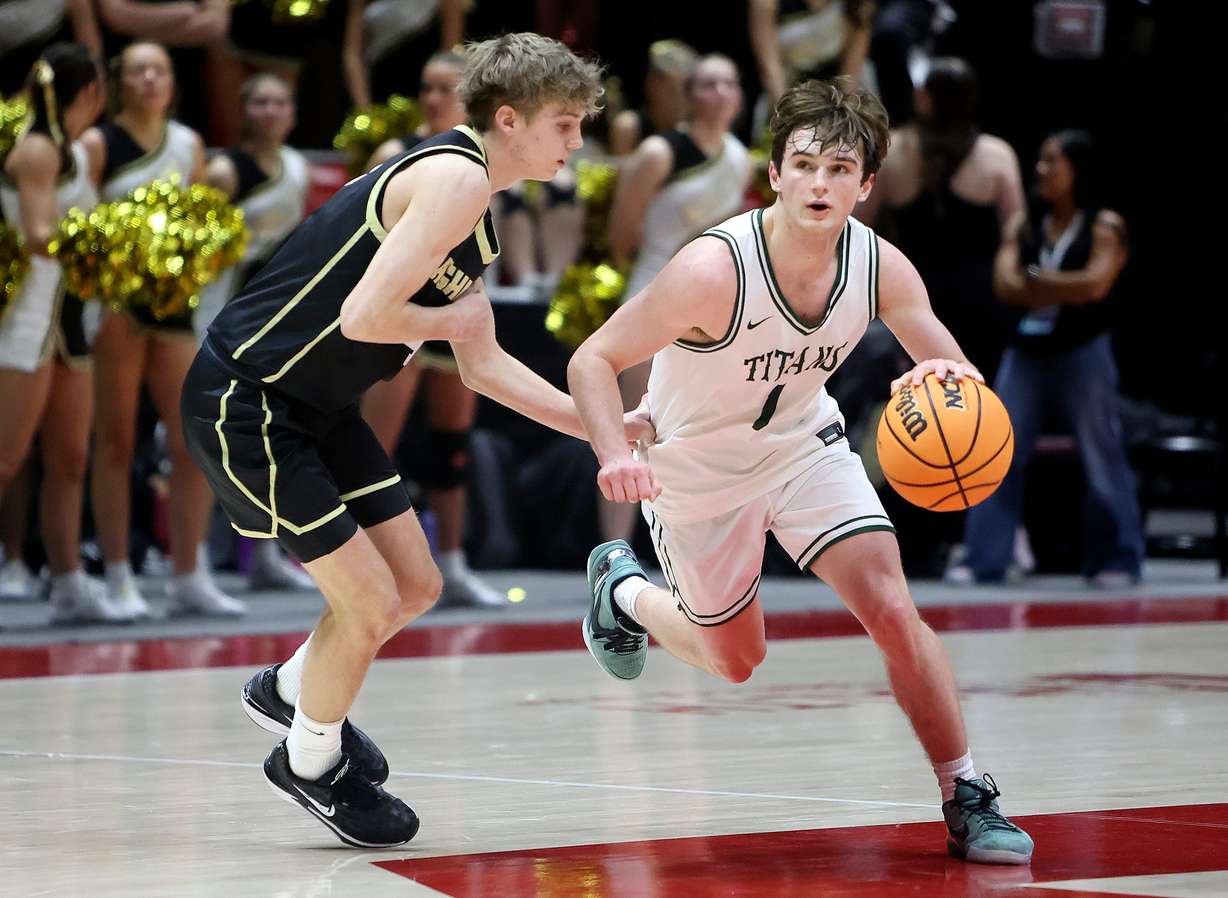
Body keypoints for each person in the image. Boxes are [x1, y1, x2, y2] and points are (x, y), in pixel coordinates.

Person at [183, 33, 640, 847]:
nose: (578, 141)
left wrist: (604, 430)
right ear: (510, 119)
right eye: (567, 124)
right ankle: (311, 762)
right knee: (366, 602)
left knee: (416, 585)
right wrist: (450, 318)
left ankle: (292, 692)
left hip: (319, 410)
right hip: (249, 399)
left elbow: (483, 366)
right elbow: (365, 317)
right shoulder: (454, 177)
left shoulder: (480, 216)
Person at [568, 77, 1034, 866]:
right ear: (775, 174)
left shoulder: (880, 266)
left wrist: (943, 380)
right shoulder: (713, 269)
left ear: (867, 184)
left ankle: (966, 792)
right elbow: (594, 357)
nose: (821, 183)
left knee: (892, 606)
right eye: (806, 165)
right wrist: (615, 452)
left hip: (803, 447)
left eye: (841, 168)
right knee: (736, 661)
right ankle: (623, 589)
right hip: (699, 472)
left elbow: (956, 370)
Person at [81, 41, 244, 618]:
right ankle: (119, 574)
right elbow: (82, 228)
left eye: (160, 71)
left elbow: (201, 225)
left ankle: (188, 572)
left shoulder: (189, 145)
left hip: (175, 308)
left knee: (192, 441)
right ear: (119, 83)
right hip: (117, 307)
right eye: (137, 71)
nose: (149, 80)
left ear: (173, 83)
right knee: (117, 442)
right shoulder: (98, 145)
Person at [956, 129, 1143, 588]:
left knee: (1102, 451)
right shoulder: (1024, 223)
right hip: (1027, 352)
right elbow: (1004, 285)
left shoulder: (1106, 225)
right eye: (1039, 161)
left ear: (1076, 170)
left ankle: (1118, 558)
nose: (1040, 170)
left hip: (1084, 351)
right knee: (996, 451)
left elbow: (1097, 285)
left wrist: (1038, 280)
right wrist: (1061, 284)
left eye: (1051, 161)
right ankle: (985, 560)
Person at [363, 50, 506, 608]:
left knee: (453, 444)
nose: (430, 98)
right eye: (425, 87)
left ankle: (452, 561)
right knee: (377, 445)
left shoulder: (484, 166)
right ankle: (371, 565)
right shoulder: (394, 154)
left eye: (442, 88)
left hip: (452, 299)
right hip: (397, 313)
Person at [599, 53, 750, 544]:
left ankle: (686, 545)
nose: (720, 94)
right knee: (630, 426)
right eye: (708, 85)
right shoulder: (658, 153)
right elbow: (621, 234)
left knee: (696, 429)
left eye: (729, 83)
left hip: (709, 305)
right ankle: (614, 549)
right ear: (688, 95)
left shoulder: (739, 158)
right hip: (651, 288)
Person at [0, 44, 118, 622]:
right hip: (26, 315)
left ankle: (69, 582)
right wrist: (109, 242)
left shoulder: (73, 148)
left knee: (71, 457)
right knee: (6, 456)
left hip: (69, 317)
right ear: (90, 91)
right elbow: (36, 235)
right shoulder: (39, 151)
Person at [197, 72, 314, 591]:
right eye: (260, 101)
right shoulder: (223, 171)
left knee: (267, 436)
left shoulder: (297, 167)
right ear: (244, 109)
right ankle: (193, 560)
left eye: (279, 101)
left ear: (292, 112)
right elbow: (195, 250)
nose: (269, 111)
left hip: (275, 319)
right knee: (204, 441)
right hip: (223, 312)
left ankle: (265, 555)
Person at [607, 40, 697, 158]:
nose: (682, 101)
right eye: (673, 92)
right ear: (652, 84)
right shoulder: (629, 125)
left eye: (688, 92)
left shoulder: (695, 127)